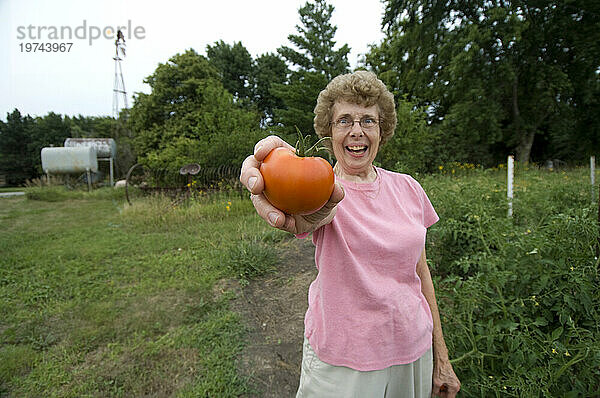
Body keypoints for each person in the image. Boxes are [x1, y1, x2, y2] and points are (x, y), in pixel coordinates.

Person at [240, 70, 460, 397]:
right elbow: (310, 213)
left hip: (413, 350)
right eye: (344, 120)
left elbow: (420, 270)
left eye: (367, 120)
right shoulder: (317, 188)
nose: (356, 131)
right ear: (328, 132)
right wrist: (271, 178)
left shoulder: (409, 188)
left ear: (381, 130)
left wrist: (441, 357)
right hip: (344, 363)